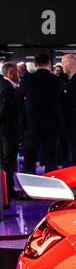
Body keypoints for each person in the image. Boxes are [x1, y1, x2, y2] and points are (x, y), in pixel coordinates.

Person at [19, 53, 63, 173]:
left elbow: (19, 97)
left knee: (29, 156)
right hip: (53, 123)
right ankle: (52, 183)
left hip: (32, 123)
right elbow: (61, 100)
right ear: (49, 64)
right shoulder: (56, 80)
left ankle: (29, 185)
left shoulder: (27, 79)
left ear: (34, 64)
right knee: (51, 156)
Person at [0, 62, 22, 201]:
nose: (18, 74)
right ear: (9, 73)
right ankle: (8, 191)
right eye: (16, 72)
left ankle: (7, 190)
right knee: (8, 161)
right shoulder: (7, 88)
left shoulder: (5, 86)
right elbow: (4, 111)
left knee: (7, 161)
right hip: (8, 131)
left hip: (6, 131)